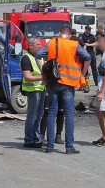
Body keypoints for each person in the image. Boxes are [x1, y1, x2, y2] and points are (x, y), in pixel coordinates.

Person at [37, 26, 91, 154]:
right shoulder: (73, 45)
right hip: (68, 84)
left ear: (59, 33)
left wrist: (43, 73)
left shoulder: (51, 42)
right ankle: (69, 147)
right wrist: (82, 74)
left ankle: (49, 147)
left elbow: (38, 55)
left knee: (51, 113)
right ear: (69, 35)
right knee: (69, 115)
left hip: (53, 82)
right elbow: (88, 57)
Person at [20, 37, 46, 148]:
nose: (40, 46)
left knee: (39, 115)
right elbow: (27, 76)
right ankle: (29, 140)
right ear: (30, 46)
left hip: (41, 89)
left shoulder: (39, 57)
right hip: (33, 90)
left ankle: (36, 138)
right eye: (37, 44)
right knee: (32, 116)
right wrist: (42, 77)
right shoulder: (26, 58)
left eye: (40, 44)